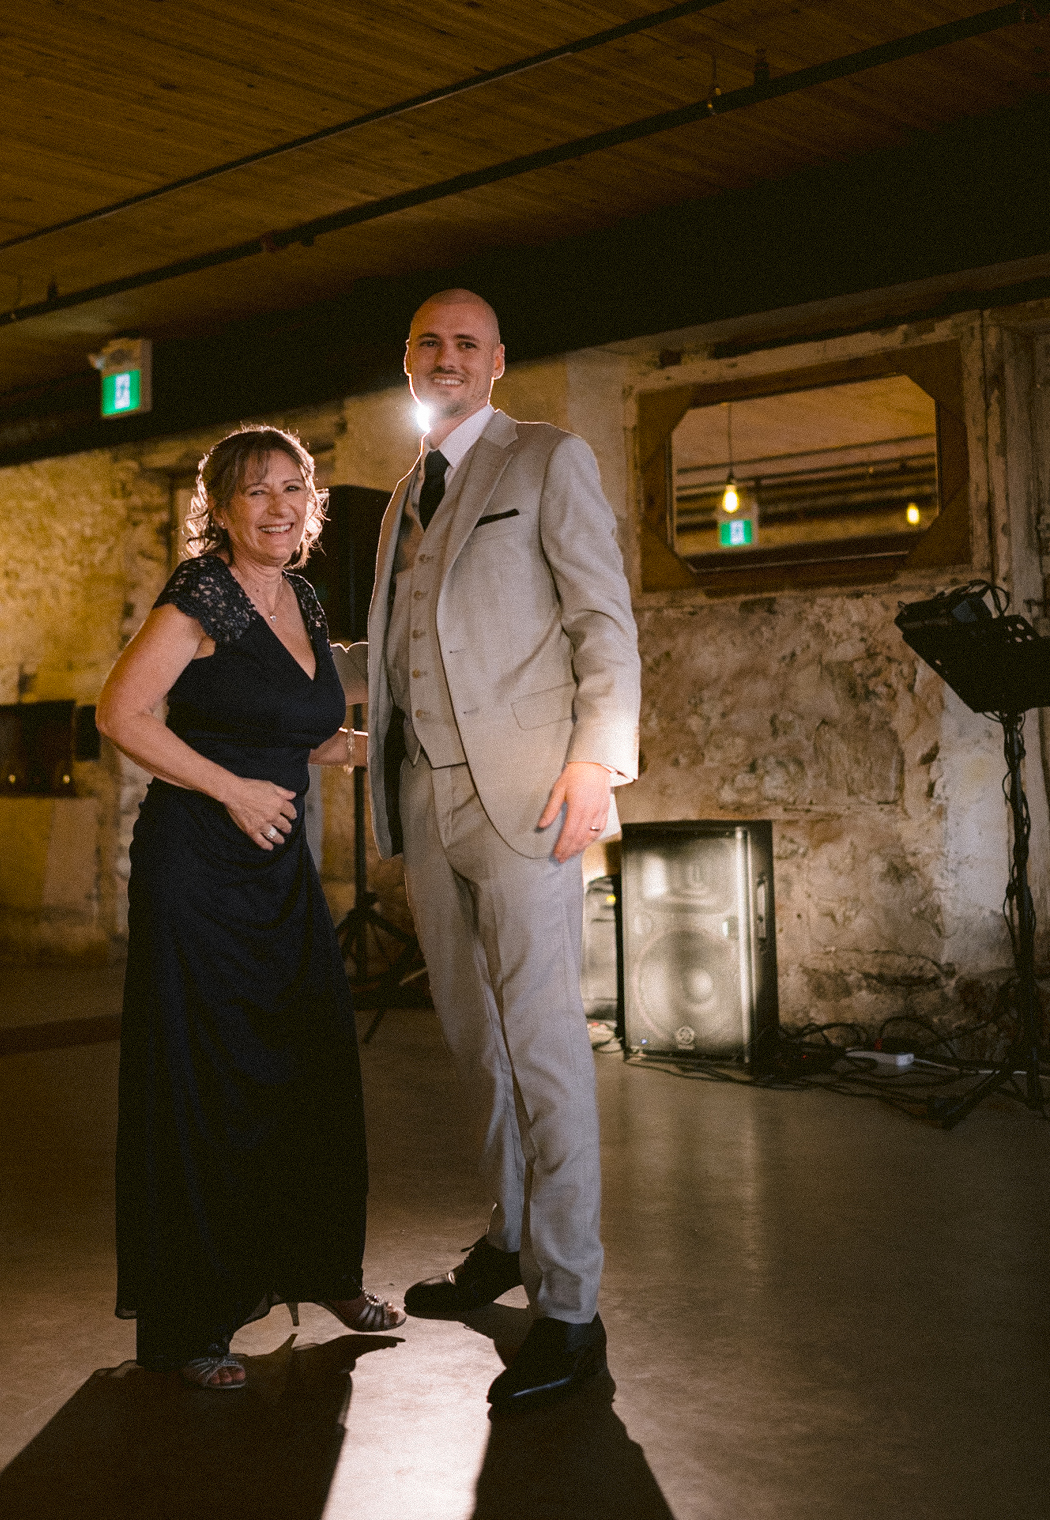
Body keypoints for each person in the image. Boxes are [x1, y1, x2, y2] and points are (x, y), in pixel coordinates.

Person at [352, 289, 642, 1414]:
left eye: (465, 343)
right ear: (408, 360)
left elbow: (600, 623)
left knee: (543, 1047)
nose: (445, 357)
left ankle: (569, 1304)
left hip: (527, 797)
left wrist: (594, 762)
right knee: (476, 1045)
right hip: (423, 799)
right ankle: (509, 1236)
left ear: (497, 361)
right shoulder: (398, 502)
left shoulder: (545, 461)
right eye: (427, 341)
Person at [96, 425, 404, 1391]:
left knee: (308, 1058)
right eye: (255, 493)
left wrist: (354, 748)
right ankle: (195, 1318)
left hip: (274, 868)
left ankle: (323, 1270)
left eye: (292, 491)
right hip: (197, 867)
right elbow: (123, 714)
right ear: (220, 510)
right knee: (207, 1076)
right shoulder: (203, 592)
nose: (277, 507)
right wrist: (230, 789)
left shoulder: (301, 597)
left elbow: (277, 726)